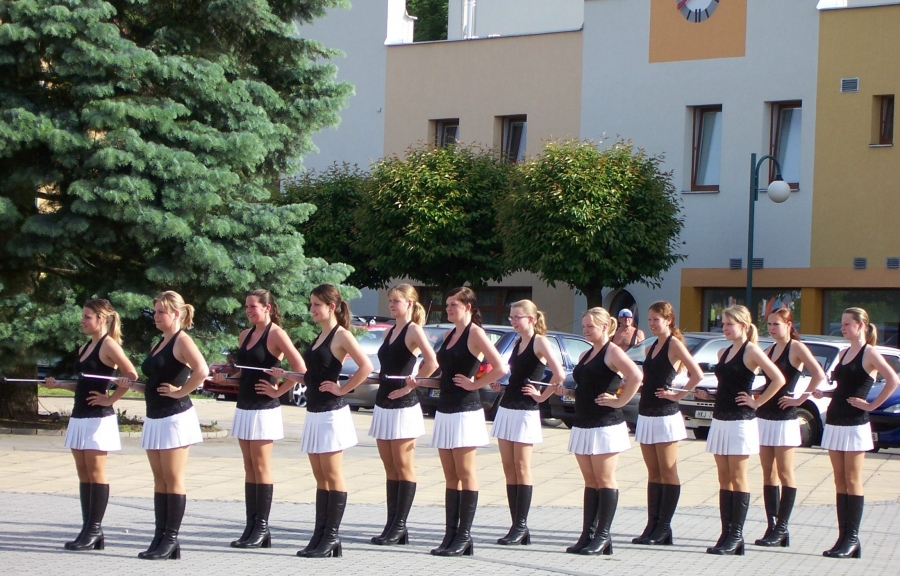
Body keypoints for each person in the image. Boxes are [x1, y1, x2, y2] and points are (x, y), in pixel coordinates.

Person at [210, 289, 307, 549]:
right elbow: (244, 374)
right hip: (244, 406)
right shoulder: (245, 335)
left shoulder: (276, 334)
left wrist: (278, 390)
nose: (249, 311)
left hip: (264, 408)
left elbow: (300, 369)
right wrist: (226, 380)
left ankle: (262, 528)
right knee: (249, 466)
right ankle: (250, 525)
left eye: (253, 306)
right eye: (246, 307)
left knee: (261, 466)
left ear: (267, 307)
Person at [282, 284, 373, 559]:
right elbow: (314, 375)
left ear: (331, 306)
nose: (312, 309)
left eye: (316, 305)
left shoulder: (341, 334)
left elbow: (366, 367)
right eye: (311, 304)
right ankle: (319, 534)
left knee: (332, 475)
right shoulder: (319, 335)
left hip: (332, 413)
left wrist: (343, 389)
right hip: (314, 412)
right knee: (320, 477)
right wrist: (287, 375)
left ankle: (331, 536)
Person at [418, 287, 508, 557]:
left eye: (453, 305)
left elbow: (500, 367)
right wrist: (420, 381)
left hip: (466, 411)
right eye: (447, 305)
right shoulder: (449, 335)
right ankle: (450, 534)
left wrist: (475, 384)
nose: (448, 309)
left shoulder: (475, 333)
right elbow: (443, 375)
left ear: (468, 306)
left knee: (465, 473)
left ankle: (464, 536)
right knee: (450, 475)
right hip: (445, 409)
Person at [44, 299, 138, 551]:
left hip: (98, 417)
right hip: (79, 415)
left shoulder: (109, 344)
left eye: (87, 316)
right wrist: (58, 384)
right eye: (83, 316)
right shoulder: (85, 347)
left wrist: (110, 399)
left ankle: (94, 529)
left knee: (96, 472)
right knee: (83, 473)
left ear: (101, 318)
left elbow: (131, 375)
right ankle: (88, 528)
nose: (82, 321)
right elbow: (83, 383)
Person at [696, 305, 785, 556]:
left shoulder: (751, 350)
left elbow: (778, 378)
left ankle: (736, 534)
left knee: (738, 477)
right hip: (720, 419)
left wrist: (757, 402)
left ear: (743, 326)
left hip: (740, 421)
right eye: (723, 324)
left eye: (729, 324)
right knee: (723, 478)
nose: (724, 328)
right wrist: (710, 395)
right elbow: (727, 385)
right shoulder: (723, 352)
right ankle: (726, 532)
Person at [816, 307, 898, 559]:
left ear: (861, 325)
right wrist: (824, 392)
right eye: (841, 324)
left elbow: (893, 380)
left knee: (852, 479)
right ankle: (843, 537)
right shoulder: (843, 353)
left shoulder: (869, 352)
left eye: (847, 324)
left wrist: (872, 405)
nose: (842, 328)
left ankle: (852, 538)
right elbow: (842, 386)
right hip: (836, 419)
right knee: (839, 480)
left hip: (855, 422)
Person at [136, 291, 209, 560]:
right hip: (155, 416)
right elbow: (155, 379)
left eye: (161, 312)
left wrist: (181, 392)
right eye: (155, 311)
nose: (155, 316)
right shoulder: (160, 342)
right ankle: (159, 536)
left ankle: (171, 539)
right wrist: (132, 385)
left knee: (173, 478)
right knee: (160, 479)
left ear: (176, 314)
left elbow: (202, 371)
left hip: (175, 417)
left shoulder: (182, 340)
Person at [564, 307, 642, 556]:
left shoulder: (613, 351)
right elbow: (587, 386)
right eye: (584, 326)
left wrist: (620, 401)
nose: (586, 331)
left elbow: (635, 376)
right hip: (583, 421)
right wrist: (568, 392)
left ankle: (603, 535)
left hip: (605, 423)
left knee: (604, 479)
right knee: (590, 481)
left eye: (591, 326)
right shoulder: (586, 353)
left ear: (605, 326)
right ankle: (587, 533)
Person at [367, 284, 438, 546]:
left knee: (403, 464)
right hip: (383, 401)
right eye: (390, 300)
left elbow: (432, 362)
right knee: (390, 467)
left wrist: (412, 384)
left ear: (410, 303)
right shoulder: (390, 331)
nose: (392, 304)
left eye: (397, 301)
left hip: (403, 404)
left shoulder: (413, 330)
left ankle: (400, 525)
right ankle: (391, 523)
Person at [489, 299, 565, 546]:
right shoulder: (517, 342)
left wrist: (541, 396)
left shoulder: (539, 341)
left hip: (525, 410)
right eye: (511, 317)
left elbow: (559, 374)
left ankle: (521, 525)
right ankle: (515, 525)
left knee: (521, 467)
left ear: (531, 319)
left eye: (517, 317)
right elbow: (517, 374)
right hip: (507, 406)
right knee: (508, 467)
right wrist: (501, 384)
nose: (513, 321)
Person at [631, 301, 703, 547]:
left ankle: (663, 526)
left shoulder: (674, 344)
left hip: (665, 414)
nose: (652, 324)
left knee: (667, 470)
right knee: (653, 471)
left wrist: (678, 394)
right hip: (647, 413)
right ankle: (652, 524)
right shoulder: (652, 346)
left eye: (656, 320)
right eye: (649, 319)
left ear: (669, 320)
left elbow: (696, 373)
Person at [753, 307, 825, 548]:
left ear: (788, 324)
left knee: (785, 471)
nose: (772, 329)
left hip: (785, 416)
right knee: (768, 472)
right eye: (769, 324)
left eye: (776, 324)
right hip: (765, 414)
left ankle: (782, 526)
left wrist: (800, 399)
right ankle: (772, 525)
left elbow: (818, 374)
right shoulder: (769, 350)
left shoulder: (796, 348)